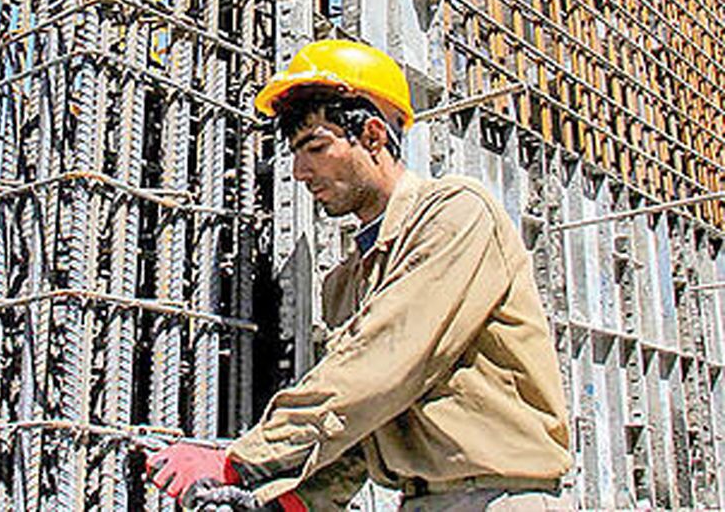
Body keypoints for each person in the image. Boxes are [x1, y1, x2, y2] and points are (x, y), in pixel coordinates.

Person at [147, 40, 572, 510]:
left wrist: (240, 461)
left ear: (372, 136)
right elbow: (362, 421)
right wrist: (290, 502)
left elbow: (385, 359)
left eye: (316, 147)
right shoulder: (345, 283)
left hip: (501, 497)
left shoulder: (457, 213)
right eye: (295, 152)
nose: (300, 171)